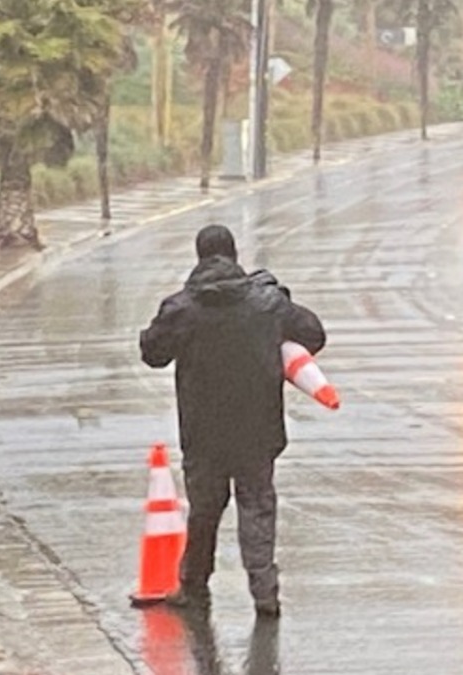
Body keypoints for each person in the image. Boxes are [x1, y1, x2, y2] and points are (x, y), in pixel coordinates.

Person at [139, 224, 326, 617]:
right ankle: (265, 592)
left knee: (205, 509)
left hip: (203, 434)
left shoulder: (182, 309)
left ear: (200, 257)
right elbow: (313, 334)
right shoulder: (267, 304)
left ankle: (192, 584)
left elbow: (153, 353)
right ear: (235, 256)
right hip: (258, 431)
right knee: (257, 505)